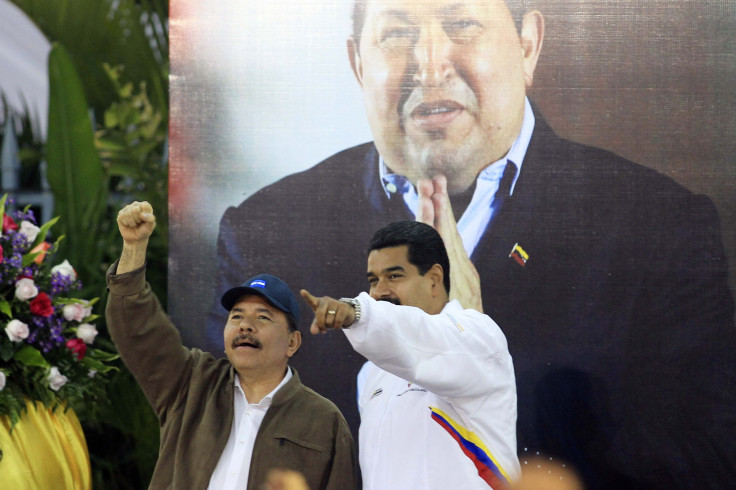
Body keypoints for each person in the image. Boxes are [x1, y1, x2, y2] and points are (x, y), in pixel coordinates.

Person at [208, 1, 736, 487]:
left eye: (461, 24)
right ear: (357, 64)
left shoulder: (659, 225)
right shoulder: (265, 231)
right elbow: (232, 442)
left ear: (527, 43)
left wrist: (476, 363)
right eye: (397, 34)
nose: (429, 63)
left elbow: (708, 459)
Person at [107, 201, 359, 490]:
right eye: (236, 316)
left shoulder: (323, 420)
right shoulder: (191, 384)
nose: (245, 326)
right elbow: (137, 330)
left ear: (292, 342)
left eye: (263, 317)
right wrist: (134, 247)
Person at [302, 220, 519, 489]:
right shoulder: (371, 372)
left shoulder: (479, 337)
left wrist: (357, 312)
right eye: (373, 280)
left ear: (434, 279)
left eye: (394, 276)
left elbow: (423, 337)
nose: (379, 291)